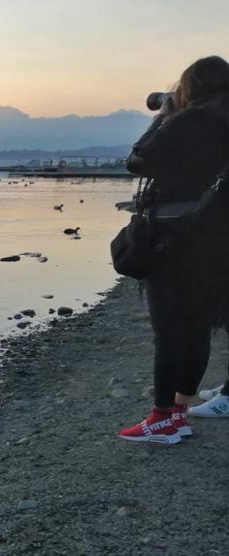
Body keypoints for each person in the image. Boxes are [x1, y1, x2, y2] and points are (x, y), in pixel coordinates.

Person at [118, 55, 229, 444]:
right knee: (197, 327)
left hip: (174, 239)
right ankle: (179, 412)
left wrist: (164, 116)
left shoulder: (188, 122)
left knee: (168, 330)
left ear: (191, 86)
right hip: (216, 242)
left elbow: (138, 160)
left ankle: (162, 418)